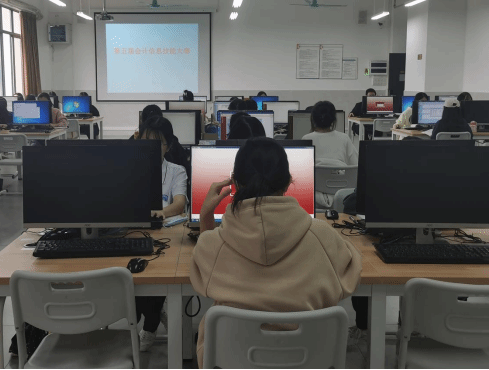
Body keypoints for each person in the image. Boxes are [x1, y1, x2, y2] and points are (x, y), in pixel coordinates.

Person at [190, 137, 362, 368]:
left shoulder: (213, 244)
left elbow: (202, 268)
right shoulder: (323, 237)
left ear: (235, 183)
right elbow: (350, 273)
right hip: (307, 361)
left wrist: (205, 216)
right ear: (289, 181)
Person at [135, 116, 188, 352]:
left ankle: (151, 321)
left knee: (158, 271)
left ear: (169, 146)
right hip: (131, 233)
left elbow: (179, 204)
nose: (152, 148)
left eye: (159, 143)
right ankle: (152, 314)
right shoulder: (126, 167)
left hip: (164, 235)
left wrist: (159, 213)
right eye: (146, 141)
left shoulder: (176, 171)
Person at [303, 101, 358, 209]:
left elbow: (302, 175)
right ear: (333, 120)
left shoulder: (306, 139)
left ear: (313, 119)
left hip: (314, 200)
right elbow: (356, 168)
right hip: (342, 199)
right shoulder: (344, 138)